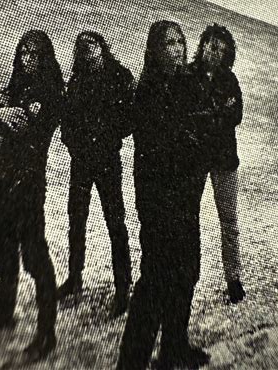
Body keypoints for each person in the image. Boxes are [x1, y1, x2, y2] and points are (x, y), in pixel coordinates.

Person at [116, 21, 210, 370]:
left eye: (181, 42)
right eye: (169, 43)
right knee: (155, 279)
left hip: (186, 197)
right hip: (158, 199)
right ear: (155, 51)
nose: (178, 49)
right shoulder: (147, 91)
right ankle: (132, 362)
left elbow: (203, 131)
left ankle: (174, 347)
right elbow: (159, 145)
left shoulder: (189, 85)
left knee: (187, 271)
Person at [0, 29, 65, 361]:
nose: (27, 59)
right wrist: (1, 111)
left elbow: (26, 124)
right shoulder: (19, 86)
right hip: (6, 177)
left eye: (34, 54)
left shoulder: (49, 92)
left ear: (45, 58)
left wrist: (4, 113)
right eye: (23, 52)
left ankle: (46, 334)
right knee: (4, 247)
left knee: (35, 256)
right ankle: (3, 313)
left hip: (28, 182)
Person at [57, 31, 134, 317]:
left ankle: (123, 287)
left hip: (107, 160)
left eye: (91, 46)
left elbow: (128, 120)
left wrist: (105, 137)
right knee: (76, 218)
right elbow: (66, 119)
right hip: (81, 161)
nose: (87, 52)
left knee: (115, 222)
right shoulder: (77, 79)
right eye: (82, 48)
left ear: (103, 48)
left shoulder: (119, 77)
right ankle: (74, 278)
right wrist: (72, 142)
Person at [189, 24, 246, 304]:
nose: (216, 53)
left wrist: (209, 115)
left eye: (222, 50)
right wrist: (218, 112)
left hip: (224, 159)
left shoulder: (229, 80)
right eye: (212, 46)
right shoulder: (189, 76)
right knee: (190, 217)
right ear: (202, 46)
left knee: (229, 220)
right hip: (195, 158)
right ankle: (189, 276)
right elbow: (189, 116)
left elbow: (236, 114)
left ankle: (233, 278)